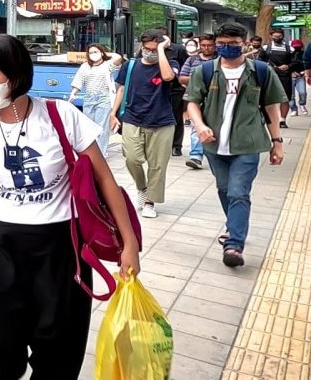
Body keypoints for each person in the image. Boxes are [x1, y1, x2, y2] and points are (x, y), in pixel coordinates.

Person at [0, 34, 140, 380]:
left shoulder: (60, 115)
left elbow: (105, 179)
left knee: (59, 337)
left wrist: (129, 243)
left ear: (15, 74)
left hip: (60, 246)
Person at [184, 22, 287, 267]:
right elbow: (192, 102)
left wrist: (277, 142)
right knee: (224, 190)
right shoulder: (205, 70)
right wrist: (199, 126)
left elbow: (271, 107)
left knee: (239, 192)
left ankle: (234, 246)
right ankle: (234, 226)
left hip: (247, 144)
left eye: (232, 45)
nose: (226, 48)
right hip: (214, 145)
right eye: (221, 44)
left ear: (245, 43)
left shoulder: (261, 70)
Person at [110, 30, 176, 219]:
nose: (150, 52)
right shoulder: (130, 65)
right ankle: (142, 187)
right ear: (141, 46)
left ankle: (149, 202)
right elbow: (121, 89)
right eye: (147, 49)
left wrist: (162, 51)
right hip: (133, 118)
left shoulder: (169, 64)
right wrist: (113, 113)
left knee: (157, 165)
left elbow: (169, 77)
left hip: (162, 121)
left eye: (155, 50)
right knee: (132, 158)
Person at [67, 44, 123, 157]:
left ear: (102, 52)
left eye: (95, 52)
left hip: (104, 99)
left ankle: (101, 154)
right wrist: (73, 93)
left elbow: (118, 58)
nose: (93, 55)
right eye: (91, 53)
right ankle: (90, 152)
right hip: (89, 99)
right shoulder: (85, 66)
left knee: (101, 128)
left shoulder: (108, 65)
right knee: (88, 128)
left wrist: (105, 55)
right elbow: (79, 81)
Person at [179, 34, 218, 169]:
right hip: (197, 98)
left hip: (217, 98)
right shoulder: (192, 60)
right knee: (197, 125)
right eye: (203, 45)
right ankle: (196, 156)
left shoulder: (221, 59)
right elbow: (182, 78)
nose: (206, 48)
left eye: (210, 45)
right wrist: (200, 80)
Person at [259, 29, 296, 128]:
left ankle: (282, 120)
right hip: (269, 75)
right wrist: (269, 67)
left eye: (279, 36)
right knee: (266, 98)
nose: (277, 38)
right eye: (275, 36)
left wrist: (288, 66)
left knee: (285, 98)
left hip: (285, 76)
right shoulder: (266, 48)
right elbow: (260, 61)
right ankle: (266, 118)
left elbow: (296, 62)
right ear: (271, 36)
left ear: (283, 36)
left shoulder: (290, 49)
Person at [289, 40, 306, 116]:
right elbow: (287, 65)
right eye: (295, 47)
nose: (297, 48)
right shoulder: (289, 55)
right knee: (291, 95)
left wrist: (304, 72)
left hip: (301, 76)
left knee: (303, 92)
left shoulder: (305, 55)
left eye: (298, 46)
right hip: (291, 76)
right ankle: (293, 109)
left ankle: (302, 105)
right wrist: (291, 72)